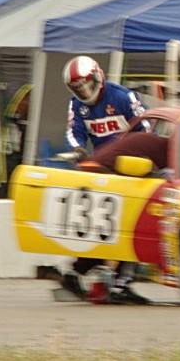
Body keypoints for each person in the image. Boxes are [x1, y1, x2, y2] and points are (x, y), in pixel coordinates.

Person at [59, 56, 150, 304]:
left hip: (131, 169)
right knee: (107, 228)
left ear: (98, 77)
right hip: (102, 170)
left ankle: (84, 274)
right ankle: (112, 281)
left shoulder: (123, 97)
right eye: (78, 88)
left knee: (129, 225)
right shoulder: (77, 105)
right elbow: (72, 132)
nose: (84, 92)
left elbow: (146, 129)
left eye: (87, 85)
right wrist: (78, 150)